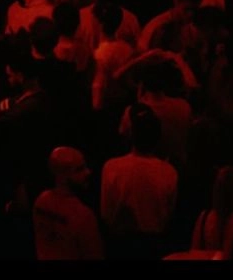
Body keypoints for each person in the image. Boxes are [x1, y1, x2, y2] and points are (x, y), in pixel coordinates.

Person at [99, 104, 177, 259]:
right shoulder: (169, 171)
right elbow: (169, 213)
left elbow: (106, 213)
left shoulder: (112, 167)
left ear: (132, 135)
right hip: (155, 244)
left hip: (121, 244)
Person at [33, 147, 103, 260]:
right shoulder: (83, 215)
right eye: (79, 169)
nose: (88, 172)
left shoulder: (41, 200)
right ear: (61, 176)